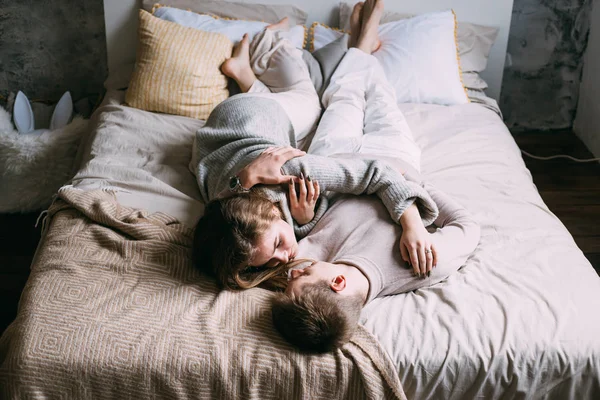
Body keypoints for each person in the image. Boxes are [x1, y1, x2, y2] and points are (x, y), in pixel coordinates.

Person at [192, 0, 438, 291]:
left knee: (323, 100)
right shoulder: (228, 229)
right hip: (221, 147)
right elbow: (221, 208)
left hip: (248, 117)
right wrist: (303, 220)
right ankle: (360, 44)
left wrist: (412, 224)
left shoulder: (288, 171)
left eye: (280, 244)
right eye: (269, 261)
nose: (286, 257)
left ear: (272, 212)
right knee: (349, 99)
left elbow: (376, 173)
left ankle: (280, 42)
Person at [272, 185, 481, 353]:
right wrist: (412, 197)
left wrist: (304, 220)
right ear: (338, 282)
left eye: (301, 274)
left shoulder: (305, 262)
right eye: (303, 275)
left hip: (333, 160)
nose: (295, 272)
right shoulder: (421, 262)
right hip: (391, 155)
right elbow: (467, 226)